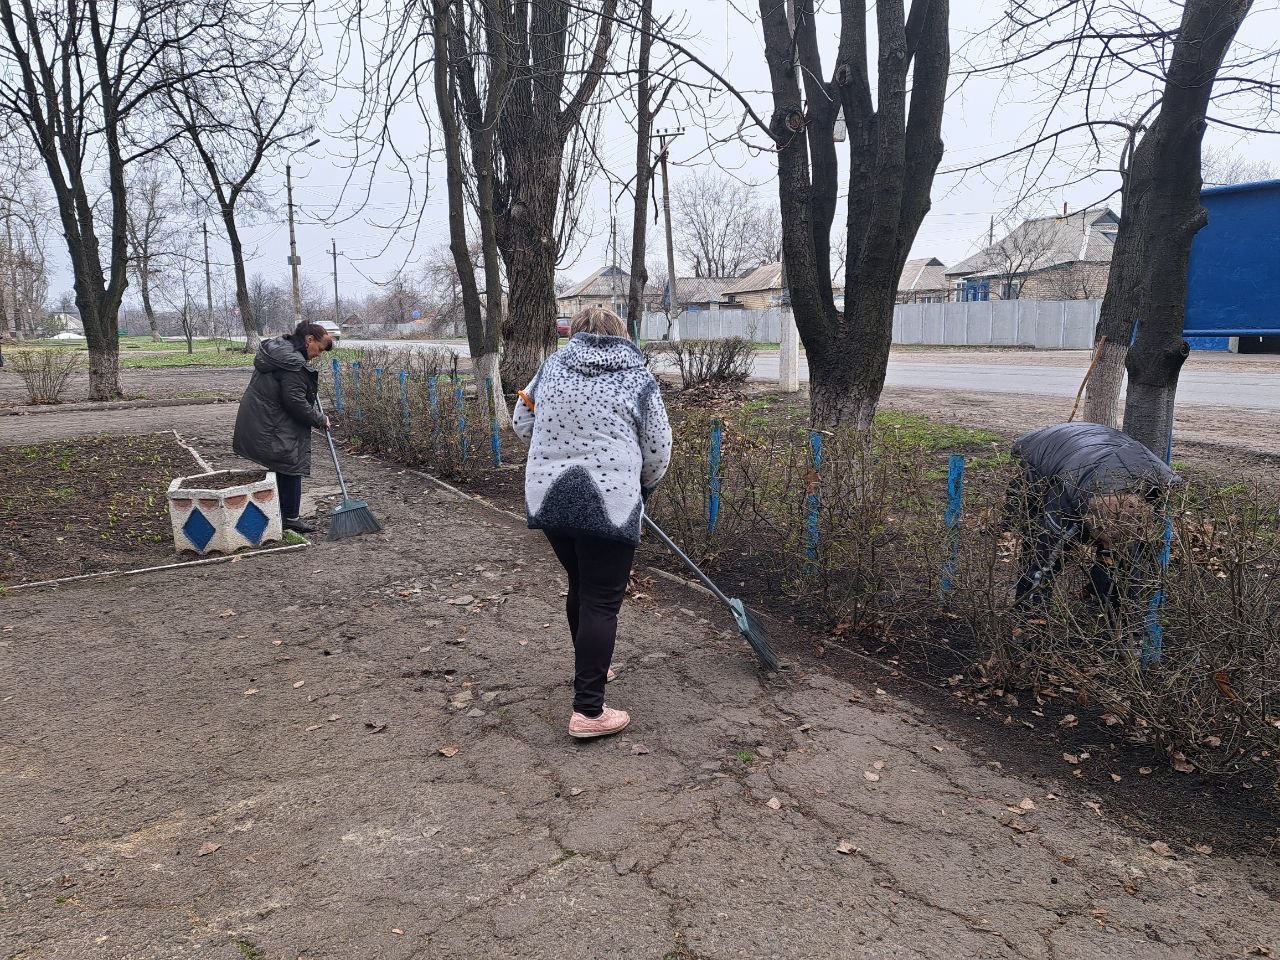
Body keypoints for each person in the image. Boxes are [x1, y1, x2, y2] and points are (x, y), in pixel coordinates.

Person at [513, 307, 672, 739]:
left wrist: (554, 447)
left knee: (582, 588)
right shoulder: (638, 379)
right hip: (611, 500)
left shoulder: (550, 369)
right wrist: (643, 489)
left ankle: (590, 670)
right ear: (621, 335)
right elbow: (658, 448)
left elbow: (520, 420)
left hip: (549, 498)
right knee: (602, 600)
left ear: (576, 334)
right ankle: (588, 710)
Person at [1008, 422, 1177, 613]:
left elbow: (1143, 568)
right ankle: (1029, 619)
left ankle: (1107, 601)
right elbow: (1042, 566)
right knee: (1040, 548)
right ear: (1093, 523)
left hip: (1105, 449)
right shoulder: (1065, 505)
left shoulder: (1152, 491)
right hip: (1041, 448)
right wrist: (1031, 623)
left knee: (1126, 559)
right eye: (1107, 540)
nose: (1110, 546)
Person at [233, 321, 334, 534]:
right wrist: (319, 418)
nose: (319, 355)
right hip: (273, 419)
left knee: (281, 464)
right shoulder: (293, 364)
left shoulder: (279, 350)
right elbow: (295, 402)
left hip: (263, 415)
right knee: (290, 462)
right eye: (319, 349)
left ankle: (279, 512)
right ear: (309, 340)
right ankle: (290, 517)